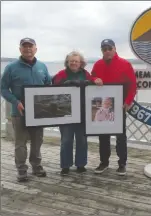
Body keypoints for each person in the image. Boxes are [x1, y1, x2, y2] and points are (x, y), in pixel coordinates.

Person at [0, 38, 51, 182]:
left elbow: (48, 84)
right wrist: (15, 102)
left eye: (30, 46)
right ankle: (21, 169)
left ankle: (36, 166)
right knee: (20, 143)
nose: (28, 49)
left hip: (39, 113)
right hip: (19, 112)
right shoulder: (11, 67)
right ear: (20, 49)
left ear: (36, 49)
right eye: (25, 46)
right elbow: (3, 88)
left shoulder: (42, 66)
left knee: (37, 141)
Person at [90, 39, 137, 176]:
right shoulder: (98, 64)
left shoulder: (125, 64)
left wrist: (128, 101)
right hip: (102, 105)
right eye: (104, 49)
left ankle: (122, 163)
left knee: (120, 135)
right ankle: (104, 162)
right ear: (102, 51)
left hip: (119, 105)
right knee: (103, 135)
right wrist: (94, 80)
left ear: (115, 48)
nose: (107, 51)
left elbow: (133, 85)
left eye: (109, 48)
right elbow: (91, 79)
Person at [52, 51, 98, 176]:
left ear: (81, 63)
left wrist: (94, 81)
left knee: (82, 140)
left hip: (83, 113)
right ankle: (65, 165)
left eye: (76, 61)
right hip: (65, 112)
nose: (73, 63)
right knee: (66, 140)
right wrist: (65, 84)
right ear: (67, 62)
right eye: (71, 61)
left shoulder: (85, 74)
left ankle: (81, 164)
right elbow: (53, 87)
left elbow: (93, 81)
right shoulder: (61, 74)